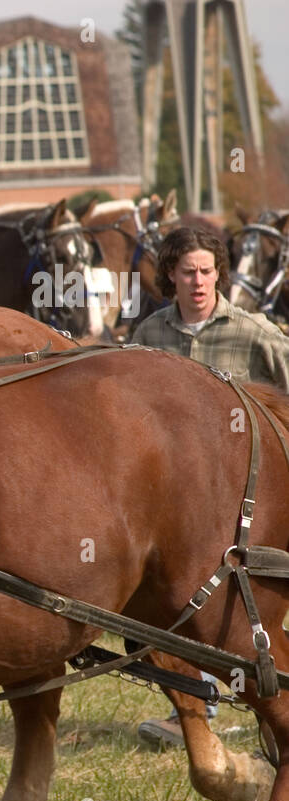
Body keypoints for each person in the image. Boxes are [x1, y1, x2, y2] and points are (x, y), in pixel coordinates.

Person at [134, 225, 289, 748]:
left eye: (206, 271)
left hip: (245, 496)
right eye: (187, 272)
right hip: (171, 502)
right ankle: (193, 710)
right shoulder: (147, 339)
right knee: (168, 604)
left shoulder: (253, 333)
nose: (198, 282)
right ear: (170, 277)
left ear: (218, 273)